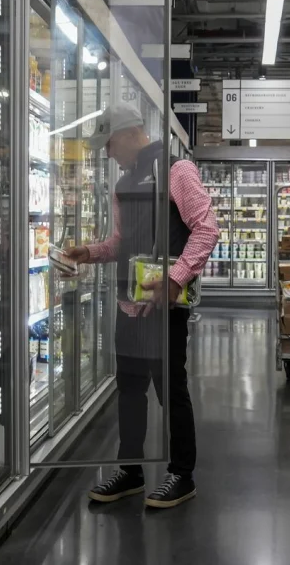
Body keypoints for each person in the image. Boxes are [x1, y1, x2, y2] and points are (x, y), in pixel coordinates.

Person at [64, 103, 218, 509]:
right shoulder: (122, 186)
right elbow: (120, 243)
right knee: (129, 390)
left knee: (171, 390)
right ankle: (131, 471)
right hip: (128, 306)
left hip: (164, 308)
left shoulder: (177, 171)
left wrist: (175, 277)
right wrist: (89, 253)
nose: (107, 153)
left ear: (131, 133)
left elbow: (207, 229)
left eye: (109, 143)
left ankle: (182, 474)